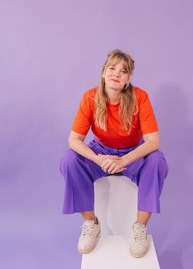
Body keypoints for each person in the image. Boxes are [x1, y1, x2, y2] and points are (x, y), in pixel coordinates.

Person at [60, 49, 168, 258]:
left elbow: (154, 141)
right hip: (101, 152)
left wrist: (124, 160)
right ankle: (91, 223)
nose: (116, 73)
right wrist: (99, 158)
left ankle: (140, 228)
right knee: (70, 159)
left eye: (123, 71)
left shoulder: (140, 97)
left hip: (133, 154)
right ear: (103, 73)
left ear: (127, 80)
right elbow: (73, 139)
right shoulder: (90, 97)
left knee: (157, 160)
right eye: (112, 68)